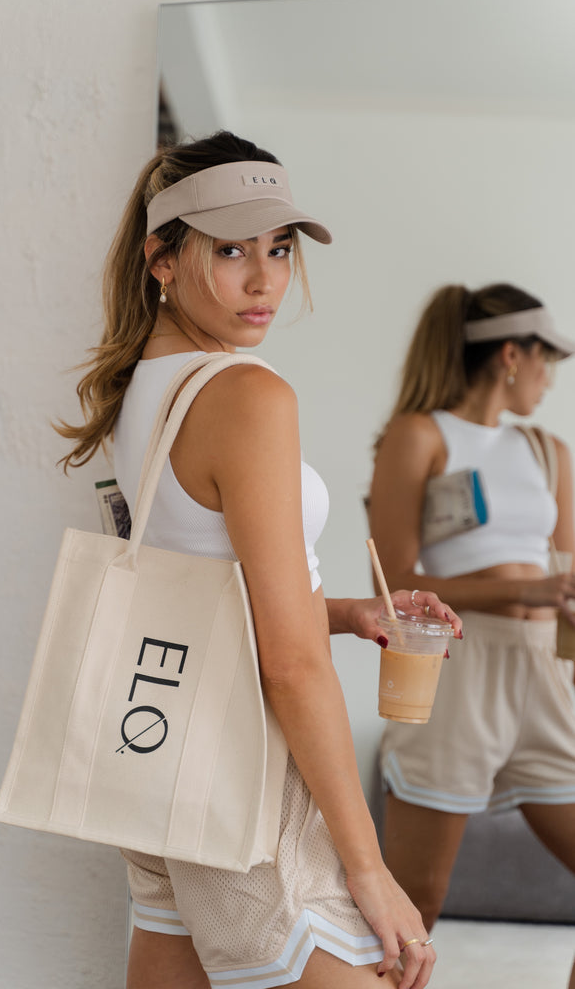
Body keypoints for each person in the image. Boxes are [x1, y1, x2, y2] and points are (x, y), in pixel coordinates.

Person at [55, 131, 462, 989]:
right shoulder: (246, 393)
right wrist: (367, 871)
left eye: (278, 248)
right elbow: (287, 666)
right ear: (159, 259)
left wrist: (350, 613)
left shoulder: (146, 391)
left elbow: (210, 587)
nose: (264, 278)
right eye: (230, 249)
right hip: (250, 772)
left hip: (165, 754)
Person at [368, 282, 575, 985]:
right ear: (511, 355)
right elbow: (392, 580)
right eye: (548, 362)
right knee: (413, 901)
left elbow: (566, 571)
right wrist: (527, 589)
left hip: (543, 674)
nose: (550, 380)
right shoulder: (419, 435)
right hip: (457, 670)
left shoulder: (547, 451)